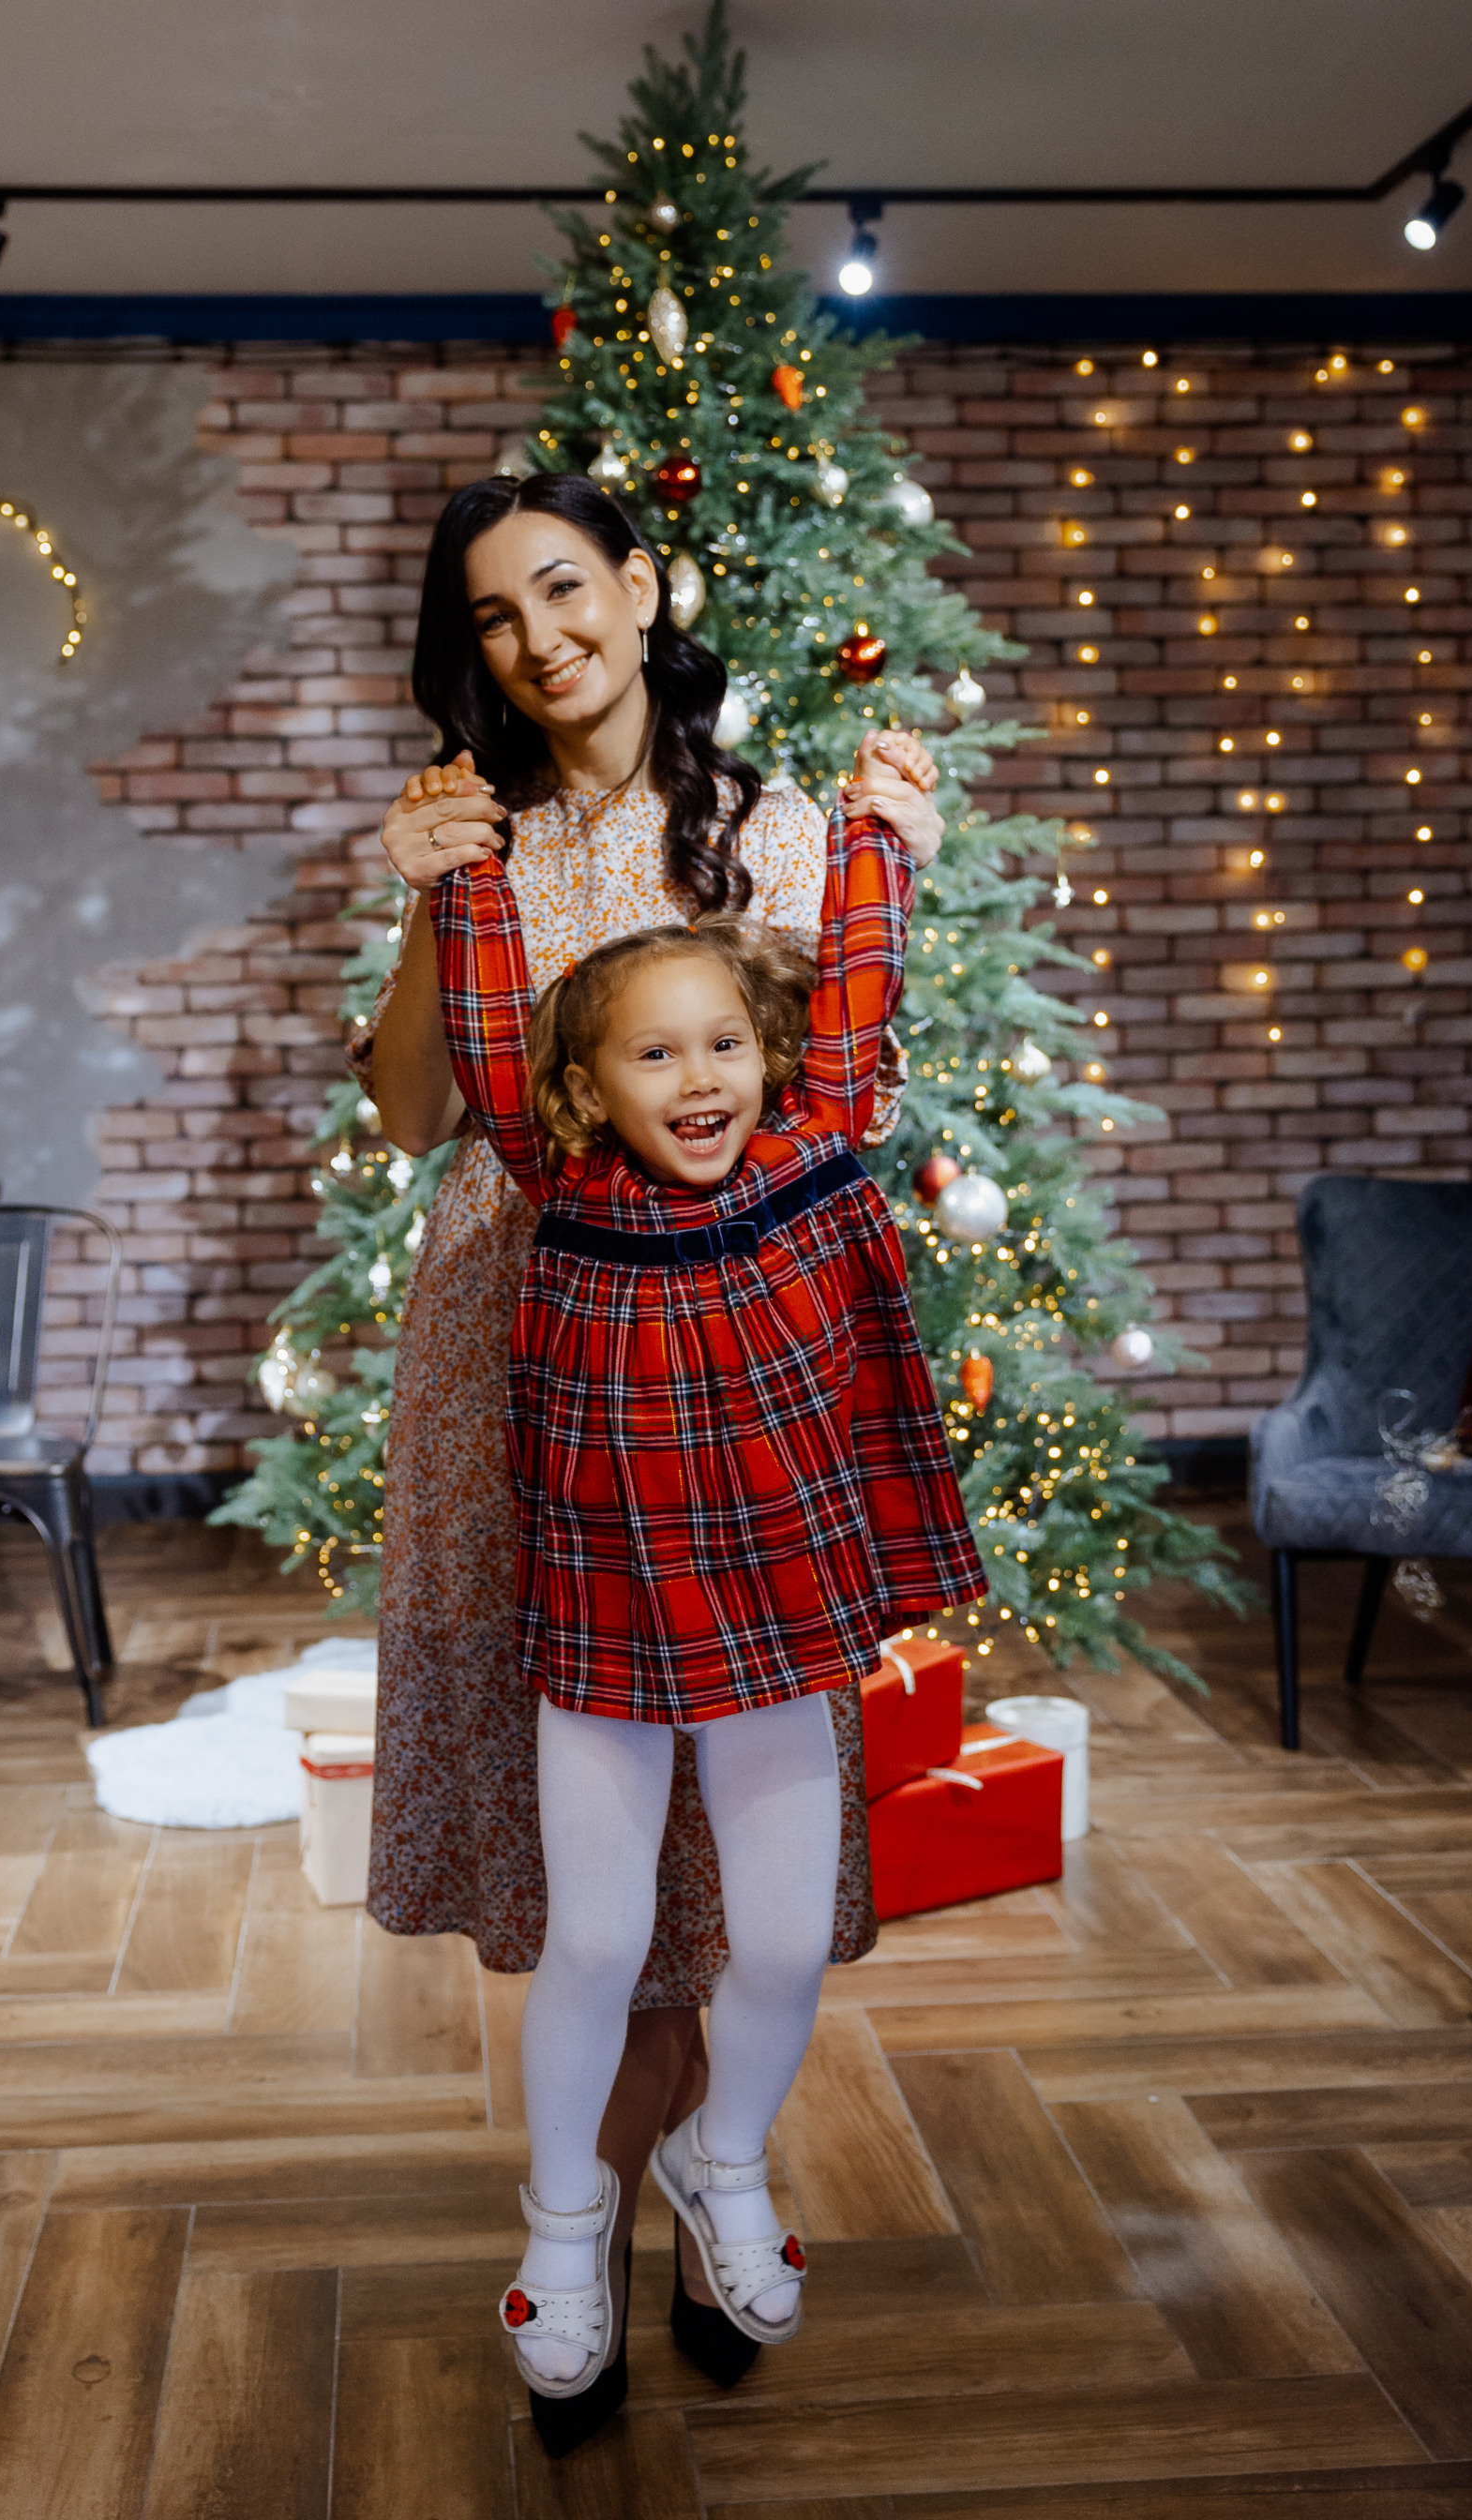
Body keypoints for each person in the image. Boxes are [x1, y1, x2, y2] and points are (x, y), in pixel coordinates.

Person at [353, 471, 940, 2446]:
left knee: (736, 1856)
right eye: (495, 617)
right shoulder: (478, 847)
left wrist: (893, 861)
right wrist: (429, 902)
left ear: (636, 585)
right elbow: (410, 1109)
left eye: (563, 587)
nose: (538, 637)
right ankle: (574, 2232)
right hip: (518, 1368)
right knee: (585, 1852)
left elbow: (831, 1071)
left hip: (729, 1382)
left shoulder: (768, 828)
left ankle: (716, 2194)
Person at [427, 746, 986, 2402]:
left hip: (777, 1613)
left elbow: (865, 983)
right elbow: (474, 1035)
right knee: (595, 1946)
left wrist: (879, 832)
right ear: (589, 1092)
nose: (700, 1078)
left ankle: (721, 2161)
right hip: (602, 1627)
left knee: (790, 1941)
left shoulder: (814, 1151)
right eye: (655, 1053)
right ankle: (559, 2217)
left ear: (771, 1058)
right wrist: (461, 885)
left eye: (725, 1043)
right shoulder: (560, 1190)